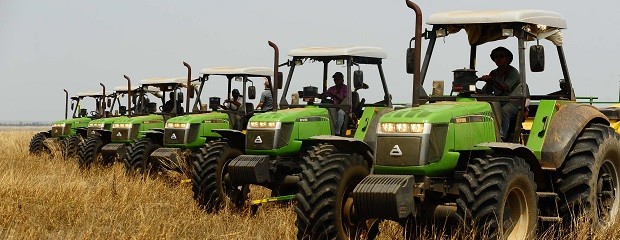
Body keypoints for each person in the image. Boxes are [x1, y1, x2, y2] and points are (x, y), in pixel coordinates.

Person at [480, 46, 520, 141]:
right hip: (499, 101)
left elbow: (504, 87)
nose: (498, 59)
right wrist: (472, 88)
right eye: (496, 57)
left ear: (507, 58)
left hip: (514, 102)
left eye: (501, 56)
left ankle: (501, 137)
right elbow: (485, 91)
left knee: (504, 111)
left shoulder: (513, 72)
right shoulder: (494, 73)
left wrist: (491, 81)